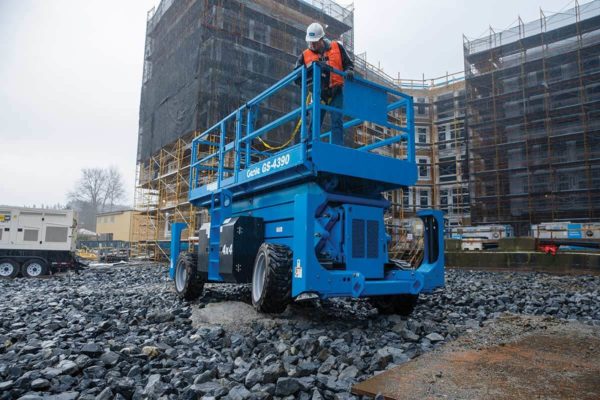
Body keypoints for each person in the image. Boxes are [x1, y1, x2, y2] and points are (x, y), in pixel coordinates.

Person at [295, 22, 354, 146]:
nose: (312, 44)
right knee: (315, 122)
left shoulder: (337, 47)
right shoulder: (305, 55)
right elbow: (297, 76)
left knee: (337, 121)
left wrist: (349, 70)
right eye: (310, 42)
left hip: (335, 91)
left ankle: (337, 148)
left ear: (321, 39)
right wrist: (308, 76)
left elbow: (348, 63)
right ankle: (311, 147)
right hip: (318, 94)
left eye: (314, 42)